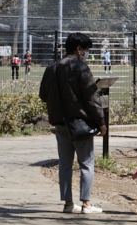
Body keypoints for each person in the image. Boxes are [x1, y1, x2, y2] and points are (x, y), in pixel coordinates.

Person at [39, 32, 107, 215]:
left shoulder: (51, 68)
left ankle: (68, 203)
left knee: (65, 164)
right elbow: (92, 98)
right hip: (80, 123)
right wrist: (101, 122)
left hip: (60, 123)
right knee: (86, 163)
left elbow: (43, 95)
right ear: (79, 49)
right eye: (85, 49)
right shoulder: (81, 68)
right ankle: (86, 203)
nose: (86, 53)